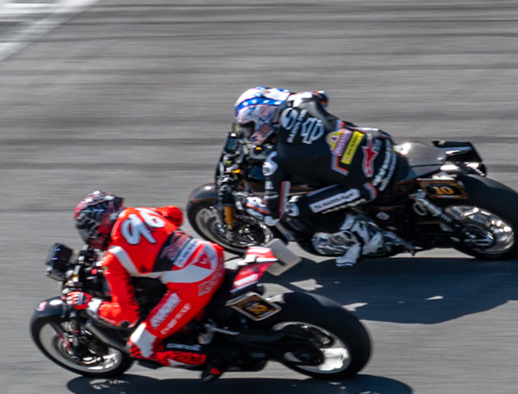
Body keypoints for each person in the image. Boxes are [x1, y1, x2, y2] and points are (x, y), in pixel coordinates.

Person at [230, 87, 408, 266]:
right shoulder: (304, 101)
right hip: (379, 143)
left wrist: (242, 201)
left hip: (368, 182)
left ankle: (365, 236)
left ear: (263, 118)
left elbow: (273, 215)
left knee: (295, 211)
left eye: (249, 127)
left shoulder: (277, 160)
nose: (249, 133)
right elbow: (322, 96)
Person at [63, 191, 223, 376]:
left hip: (195, 285)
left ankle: (215, 358)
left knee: (139, 347)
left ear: (97, 226)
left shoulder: (113, 260)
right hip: (212, 254)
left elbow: (126, 317)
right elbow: (175, 214)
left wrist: (87, 302)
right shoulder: (139, 212)